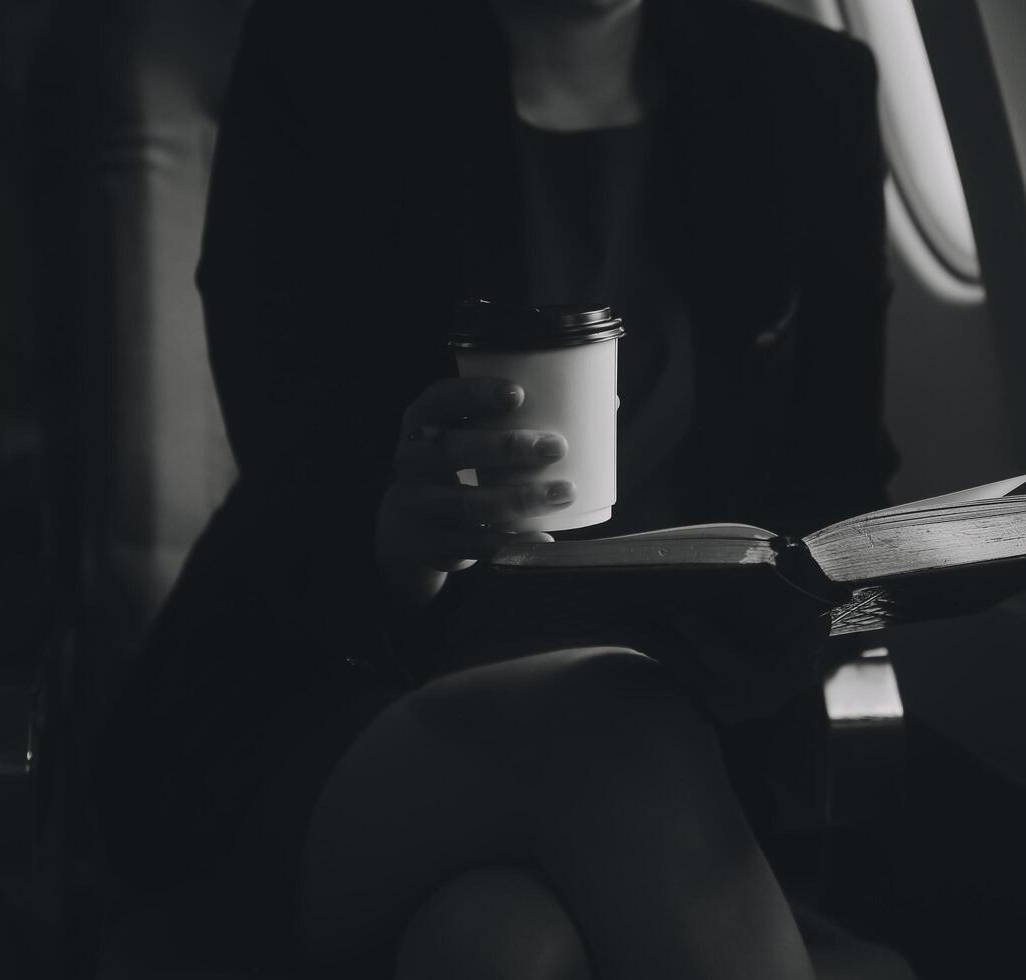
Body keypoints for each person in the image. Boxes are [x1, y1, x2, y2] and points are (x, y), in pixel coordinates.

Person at [94, 0, 900, 976]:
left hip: (699, 723)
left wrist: (845, 592)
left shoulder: (804, 87)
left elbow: (842, 471)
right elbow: (287, 467)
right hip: (337, 703)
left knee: (498, 945)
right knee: (615, 727)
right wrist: (395, 536)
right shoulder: (328, 57)